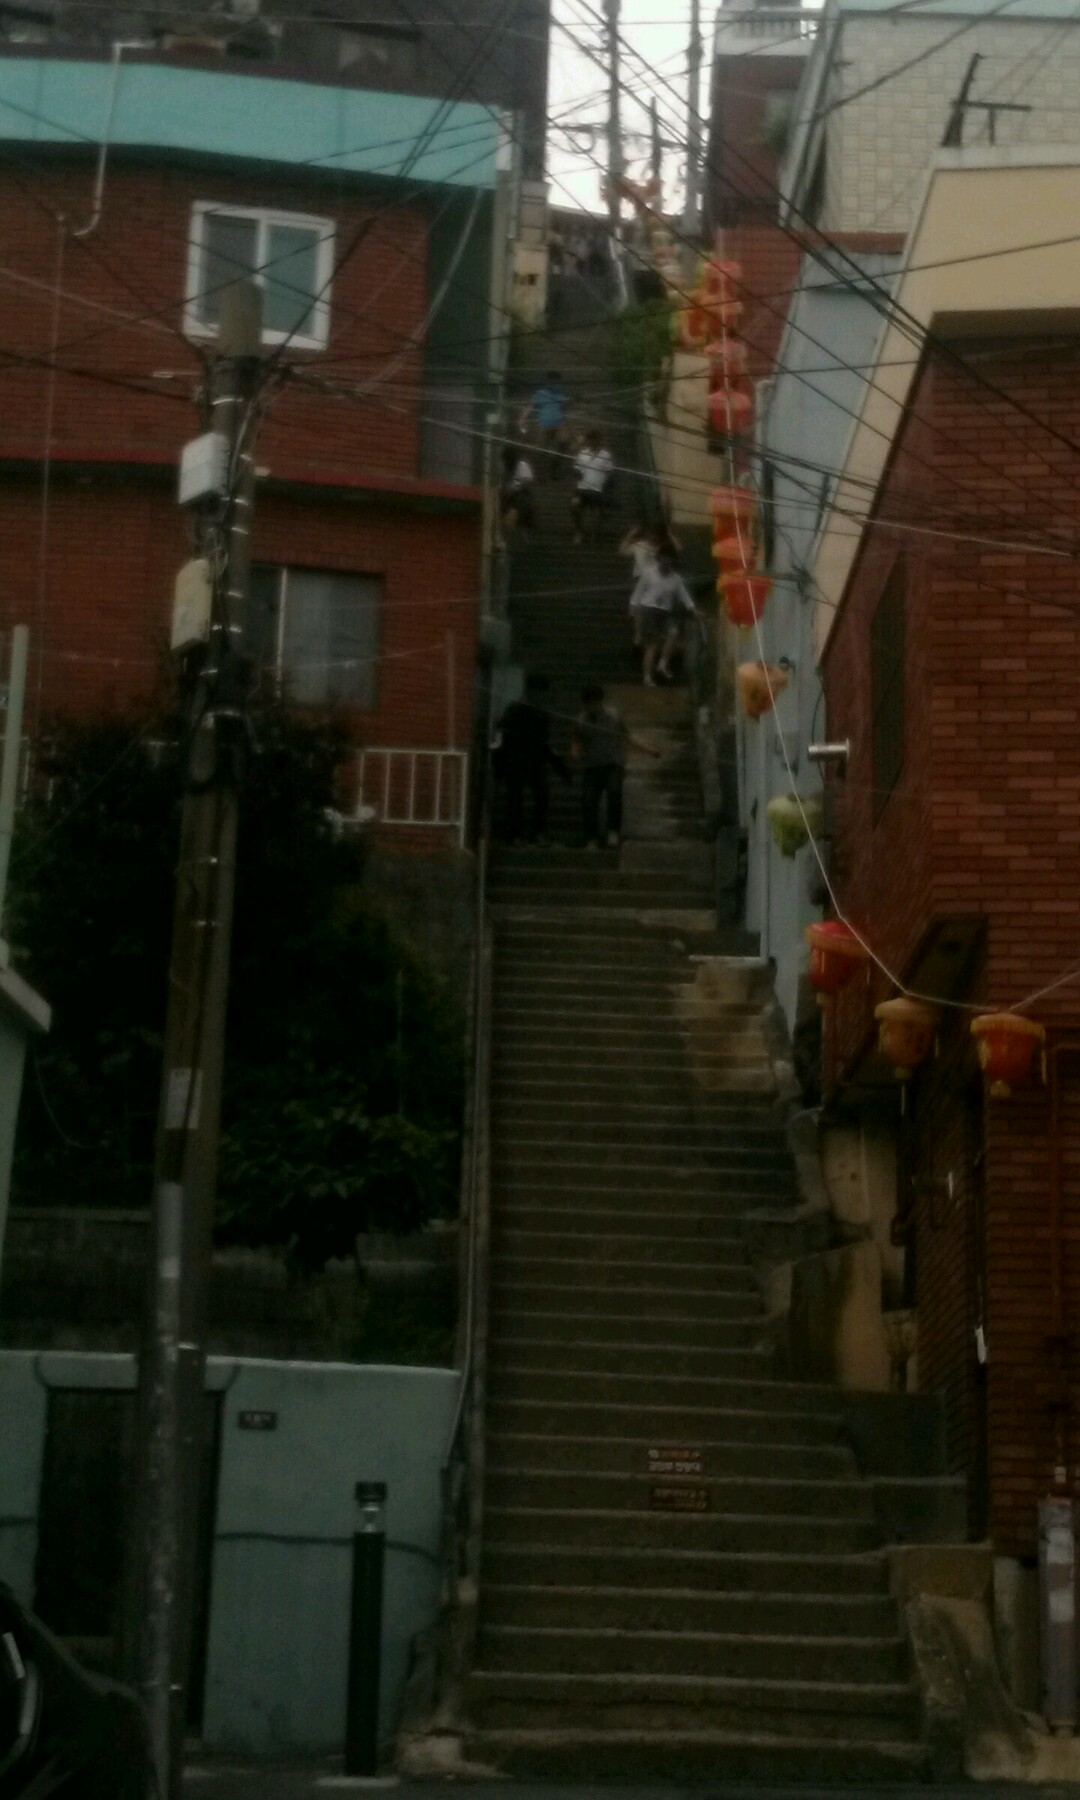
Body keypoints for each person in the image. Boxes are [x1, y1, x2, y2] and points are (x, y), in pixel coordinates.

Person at [571, 682, 660, 849]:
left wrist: (649, 749)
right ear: (585, 704)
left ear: (600, 701)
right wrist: (575, 752)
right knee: (589, 801)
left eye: (596, 702)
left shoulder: (613, 716)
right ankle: (591, 838)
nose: (593, 707)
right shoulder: (581, 720)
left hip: (613, 764)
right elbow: (576, 739)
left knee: (614, 792)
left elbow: (626, 736)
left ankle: (613, 832)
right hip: (592, 765)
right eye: (590, 703)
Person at [495, 673, 569, 844]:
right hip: (516, 759)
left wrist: (556, 763)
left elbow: (544, 740)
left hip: (535, 760)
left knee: (541, 795)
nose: (540, 697)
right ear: (531, 692)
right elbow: (503, 732)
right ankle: (516, 834)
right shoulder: (516, 709)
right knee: (516, 798)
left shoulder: (541, 712)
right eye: (538, 693)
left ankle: (536, 832)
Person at [632, 551, 698, 686]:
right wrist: (633, 605)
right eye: (664, 561)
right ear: (659, 560)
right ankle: (647, 677)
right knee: (652, 645)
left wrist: (693, 610)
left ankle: (663, 663)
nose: (666, 564)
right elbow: (639, 590)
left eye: (669, 561)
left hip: (665, 611)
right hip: (649, 610)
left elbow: (684, 596)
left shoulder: (676, 578)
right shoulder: (649, 573)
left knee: (673, 632)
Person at [520, 371, 569, 479]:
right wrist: (523, 419)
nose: (554, 384)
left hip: (558, 425)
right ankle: (539, 473)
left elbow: (564, 409)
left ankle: (555, 466)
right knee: (541, 450)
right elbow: (530, 406)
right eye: (552, 382)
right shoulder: (540, 393)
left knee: (564, 442)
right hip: (544, 424)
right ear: (548, 381)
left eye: (556, 382)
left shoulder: (561, 395)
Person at [571, 429, 614, 544]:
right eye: (591, 440)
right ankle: (579, 532)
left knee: (596, 513)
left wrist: (605, 488)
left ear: (599, 441)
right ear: (588, 441)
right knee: (575, 506)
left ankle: (593, 533)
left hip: (597, 490)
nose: (593, 442)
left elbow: (609, 472)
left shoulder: (606, 455)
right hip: (582, 488)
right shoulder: (582, 454)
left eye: (596, 440)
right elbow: (577, 472)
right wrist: (575, 491)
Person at [500, 444, 535, 536]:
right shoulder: (508, 470)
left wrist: (513, 488)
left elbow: (526, 482)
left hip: (522, 496)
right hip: (510, 497)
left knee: (515, 509)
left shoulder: (522, 465)